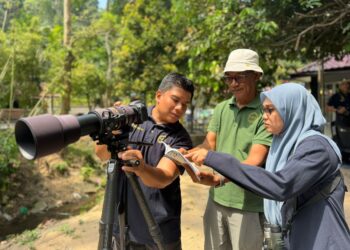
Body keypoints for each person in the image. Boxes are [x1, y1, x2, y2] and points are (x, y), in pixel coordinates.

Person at [185, 83, 350, 250]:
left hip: (323, 242)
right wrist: (218, 179)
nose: (264, 116)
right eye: (263, 110)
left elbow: (280, 185)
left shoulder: (317, 148)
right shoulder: (283, 145)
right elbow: (266, 182)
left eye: (270, 110)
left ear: (291, 109)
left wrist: (214, 158)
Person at [95, 72, 194, 250]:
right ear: (158, 96)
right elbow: (101, 154)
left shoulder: (181, 139)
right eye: (175, 100)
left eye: (185, 104)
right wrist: (110, 131)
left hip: (159, 231)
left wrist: (141, 168)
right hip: (121, 224)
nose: (180, 108)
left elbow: (163, 178)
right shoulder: (130, 117)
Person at [190, 48, 272, 250]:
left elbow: (255, 160)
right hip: (216, 200)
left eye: (240, 77)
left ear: (256, 76)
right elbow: (209, 144)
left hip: (249, 204)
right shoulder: (222, 108)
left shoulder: (267, 110)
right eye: (229, 78)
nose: (233, 84)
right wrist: (186, 154)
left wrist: (220, 179)